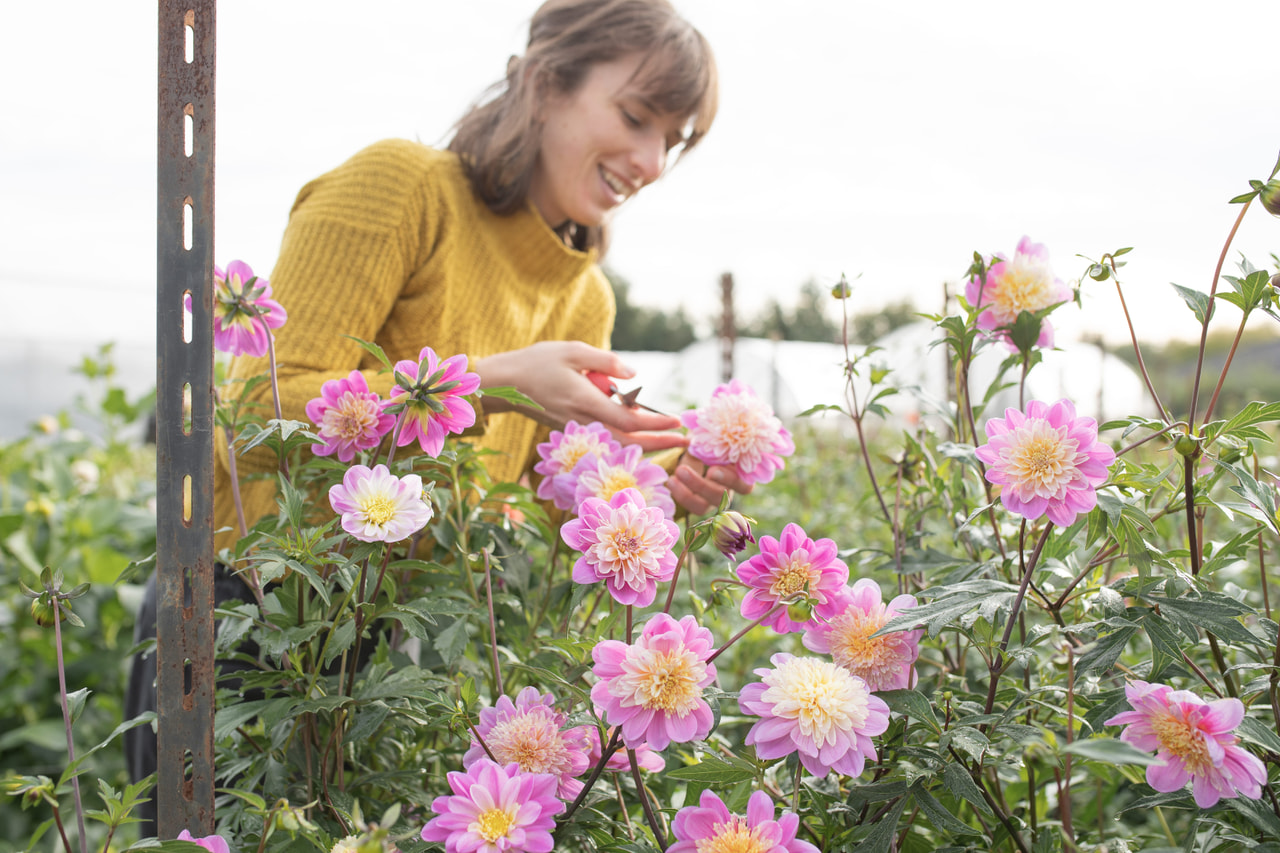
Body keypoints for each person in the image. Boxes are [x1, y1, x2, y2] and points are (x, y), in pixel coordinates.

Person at [128, 0, 747, 836]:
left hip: (395, 648)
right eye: (637, 117)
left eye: (672, 140)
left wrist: (648, 482)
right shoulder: (404, 187)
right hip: (248, 613)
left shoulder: (584, 296)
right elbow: (253, 417)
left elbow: (524, 513)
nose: (651, 162)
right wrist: (486, 384)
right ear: (545, 83)